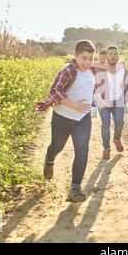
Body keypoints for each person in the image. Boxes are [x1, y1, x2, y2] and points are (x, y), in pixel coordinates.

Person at [35, 40, 96, 203]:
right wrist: (74, 105)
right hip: (63, 117)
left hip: (83, 118)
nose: (87, 62)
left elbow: (90, 89)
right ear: (75, 56)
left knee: (82, 151)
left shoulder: (92, 72)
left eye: (90, 58)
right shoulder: (68, 71)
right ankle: (49, 159)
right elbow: (54, 91)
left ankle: (75, 189)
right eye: (84, 58)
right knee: (57, 147)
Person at [93, 45, 128, 160]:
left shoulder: (123, 69)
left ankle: (117, 138)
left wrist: (126, 101)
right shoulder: (99, 69)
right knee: (105, 124)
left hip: (118, 102)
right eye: (110, 54)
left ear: (118, 56)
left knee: (120, 122)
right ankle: (106, 148)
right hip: (104, 102)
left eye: (115, 54)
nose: (113, 56)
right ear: (106, 56)